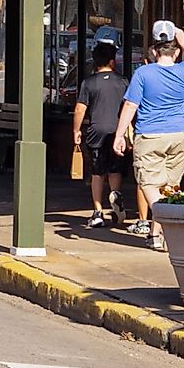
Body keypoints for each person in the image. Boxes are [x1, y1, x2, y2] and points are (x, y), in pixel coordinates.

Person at [112, 22, 184, 249]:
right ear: (177, 50)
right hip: (179, 133)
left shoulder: (143, 73)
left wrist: (119, 135)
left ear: (153, 50)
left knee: (149, 184)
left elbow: (131, 105)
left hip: (150, 134)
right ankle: (155, 235)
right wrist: (183, 39)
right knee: (171, 185)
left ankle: (168, 222)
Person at [69, 43, 130, 229]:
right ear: (112, 61)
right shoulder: (123, 82)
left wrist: (76, 130)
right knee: (115, 170)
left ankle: (97, 211)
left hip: (96, 132)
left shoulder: (89, 82)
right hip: (117, 132)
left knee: (97, 172)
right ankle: (115, 196)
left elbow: (80, 108)